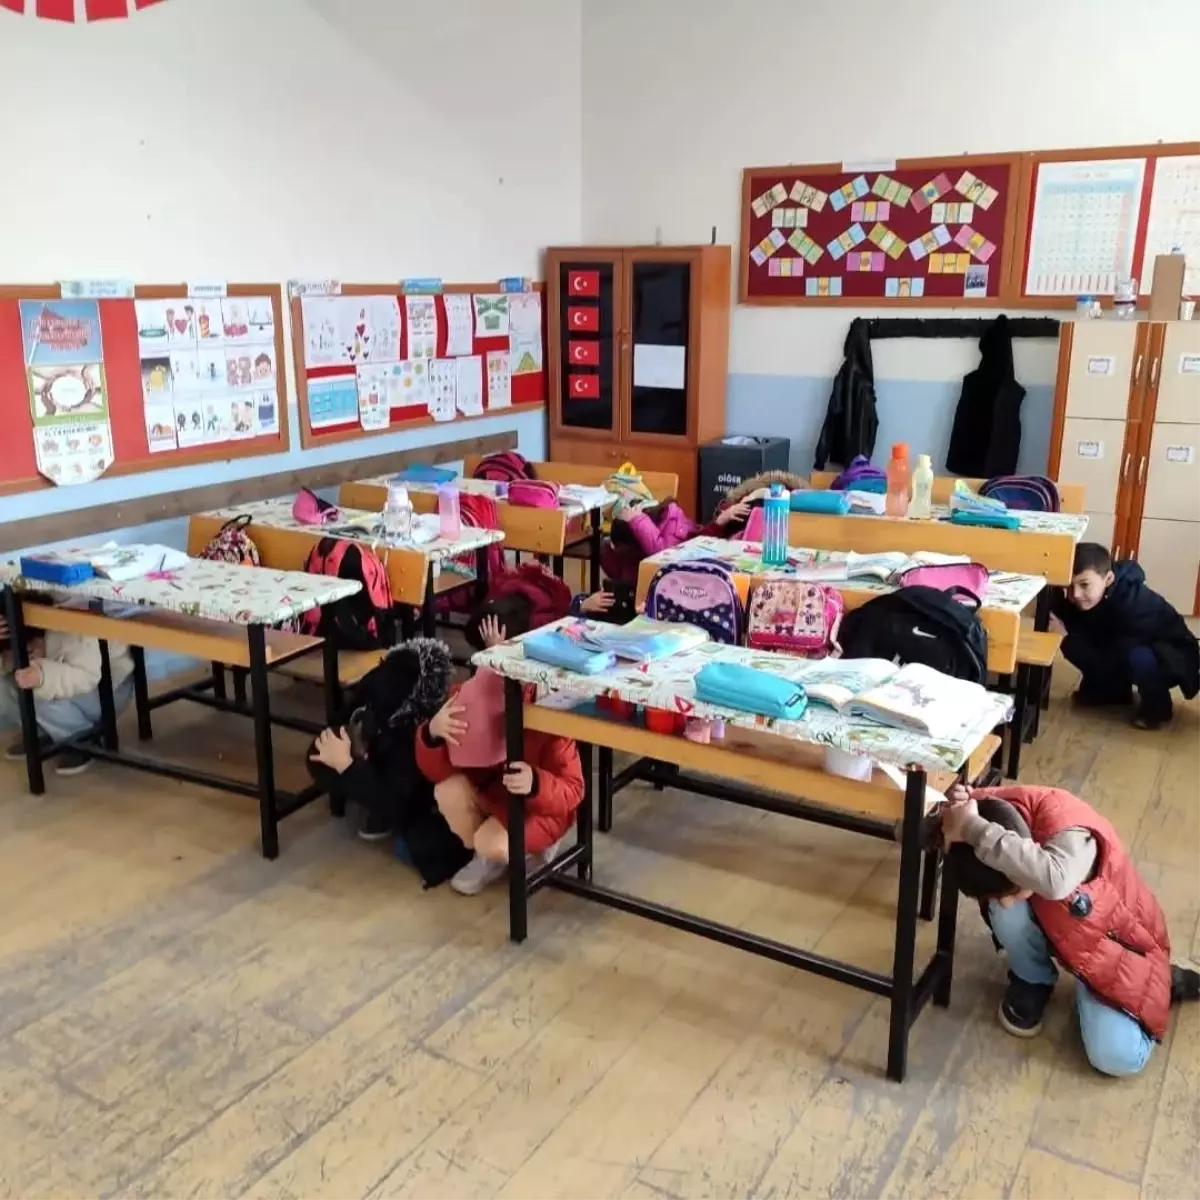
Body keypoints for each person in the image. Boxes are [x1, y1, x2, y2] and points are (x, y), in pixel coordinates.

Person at [938, 783, 1200, 1077]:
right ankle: (1033, 979)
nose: (1008, 902)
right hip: (1072, 933)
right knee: (1004, 908)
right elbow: (930, 826)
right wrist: (949, 810)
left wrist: (972, 827)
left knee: (1117, 1057)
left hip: (1118, 948)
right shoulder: (995, 812)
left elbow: (1054, 880)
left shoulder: (1069, 827)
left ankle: (1161, 983)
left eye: (1010, 892)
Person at [307, 639, 473, 888]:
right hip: (395, 754)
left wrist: (349, 768)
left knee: (411, 845)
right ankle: (369, 789)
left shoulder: (406, 728)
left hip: (431, 786)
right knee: (329, 759)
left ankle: (372, 794)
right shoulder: (366, 702)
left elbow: (400, 804)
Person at [415, 676, 584, 896]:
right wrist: (432, 734)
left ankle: (533, 851)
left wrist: (536, 783)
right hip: (497, 796)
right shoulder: (468, 699)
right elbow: (436, 772)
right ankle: (488, 856)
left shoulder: (547, 717)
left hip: (541, 808)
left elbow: (574, 789)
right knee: (447, 791)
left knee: (492, 841)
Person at [1050, 542, 1200, 729]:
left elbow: (1109, 661)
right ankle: (1115, 692)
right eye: (1069, 586)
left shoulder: (1131, 606)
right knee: (1087, 630)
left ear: (1108, 579)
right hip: (1133, 647)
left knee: (1137, 657)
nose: (1076, 594)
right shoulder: (1103, 592)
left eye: (1084, 585)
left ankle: (1158, 707)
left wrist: (1066, 640)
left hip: (1175, 659)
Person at [1, 612, 132, 776]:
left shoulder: (74, 611)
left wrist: (42, 675)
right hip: (68, 675)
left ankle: (82, 739)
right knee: (8, 684)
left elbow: (85, 677)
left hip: (107, 689)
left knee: (37, 690)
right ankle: (44, 732)